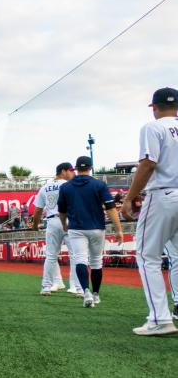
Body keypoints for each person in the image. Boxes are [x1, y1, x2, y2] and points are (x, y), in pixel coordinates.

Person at [121, 87, 178, 336]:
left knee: (147, 257)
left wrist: (130, 198)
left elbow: (148, 163)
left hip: (164, 195)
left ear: (153, 107)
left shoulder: (152, 127)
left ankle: (160, 319)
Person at [58, 155, 125, 308]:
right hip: (97, 228)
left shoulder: (66, 187)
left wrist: (64, 224)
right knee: (96, 262)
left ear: (75, 168)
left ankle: (86, 292)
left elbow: (61, 211)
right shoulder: (99, 185)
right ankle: (95, 294)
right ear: (90, 168)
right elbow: (111, 208)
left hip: (76, 229)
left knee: (80, 260)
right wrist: (118, 230)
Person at [31, 162, 84, 297]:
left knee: (51, 256)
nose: (73, 173)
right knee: (75, 255)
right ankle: (77, 288)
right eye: (70, 171)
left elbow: (37, 210)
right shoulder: (70, 186)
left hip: (52, 221)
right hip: (68, 220)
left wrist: (35, 225)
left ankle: (46, 287)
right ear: (63, 171)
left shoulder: (45, 187)